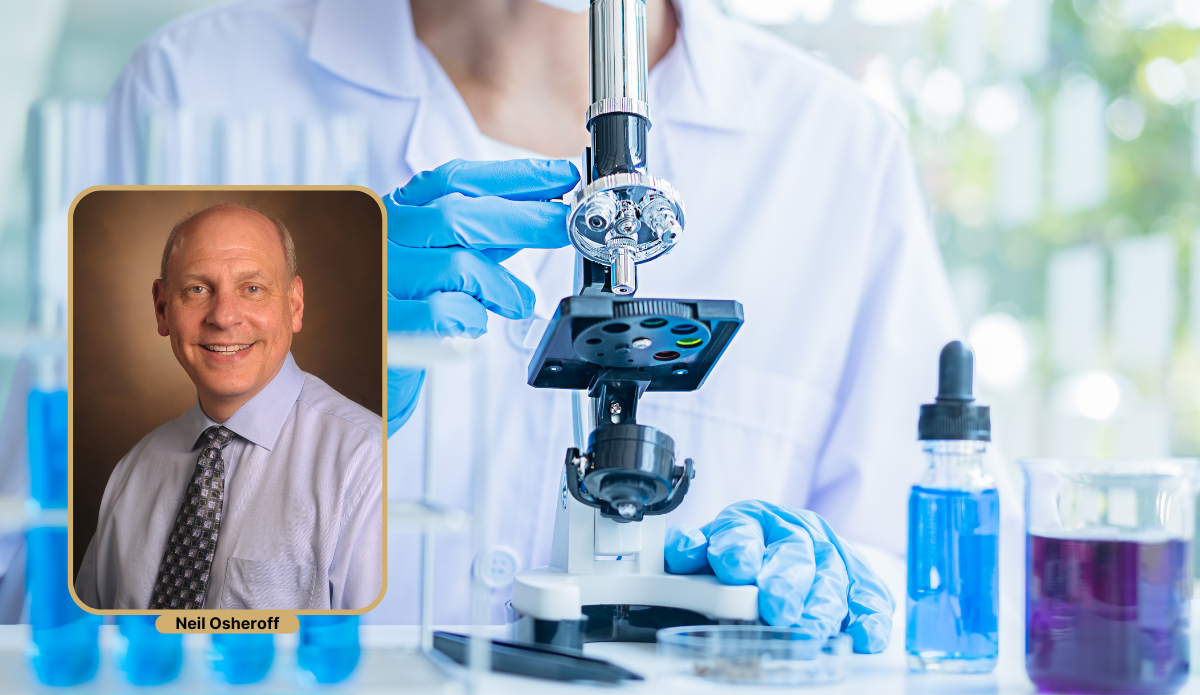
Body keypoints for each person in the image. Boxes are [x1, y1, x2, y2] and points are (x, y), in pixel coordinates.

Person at [104, 0, 979, 648]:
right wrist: (292, 407)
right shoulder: (196, 87)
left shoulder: (837, 151)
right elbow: (50, 597)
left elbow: (934, 600)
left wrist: (842, 590)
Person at [75, 203, 383, 611]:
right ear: (162, 307)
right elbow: (92, 644)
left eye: (252, 288)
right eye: (197, 290)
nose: (223, 317)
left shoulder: (367, 461)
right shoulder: (133, 472)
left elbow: (386, 660)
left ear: (294, 305)